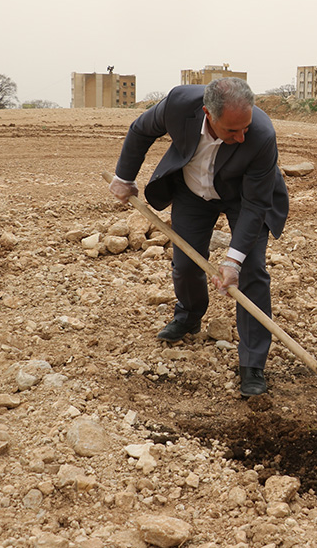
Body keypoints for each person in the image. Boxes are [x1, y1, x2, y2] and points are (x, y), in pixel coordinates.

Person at [109, 78, 289, 398]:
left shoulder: (260, 135)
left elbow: (256, 205)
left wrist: (232, 261)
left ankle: (252, 365)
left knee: (251, 271)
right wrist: (124, 177)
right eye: (232, 131)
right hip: (192, 192)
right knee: (186, 263)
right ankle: (189, 316)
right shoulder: (180, 103)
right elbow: (141, 130)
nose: (241, 136)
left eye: (245, 127)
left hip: (244, 198)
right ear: (208, 113)